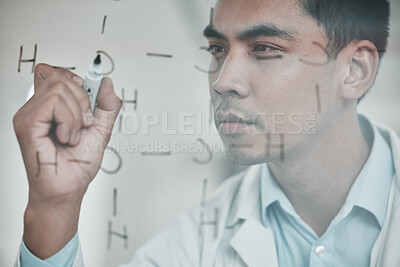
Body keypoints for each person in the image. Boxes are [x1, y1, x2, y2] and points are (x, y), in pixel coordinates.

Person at [13, 0, 400, 266]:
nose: (222, 81)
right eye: (218, 49)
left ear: (355, 70)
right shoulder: (198, 238)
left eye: (264, 48)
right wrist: (53, 208)